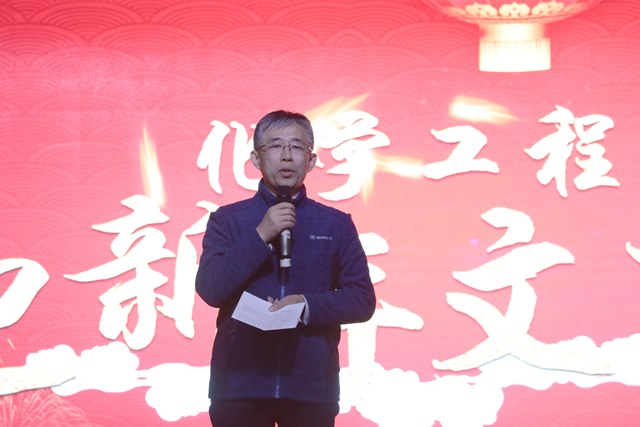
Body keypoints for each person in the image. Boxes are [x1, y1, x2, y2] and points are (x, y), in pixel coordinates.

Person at [195, 110, 376, 427]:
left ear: (312, 160)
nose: (287, 156)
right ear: (256, 158)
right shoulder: (228, 220)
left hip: (310, 386)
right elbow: (211, 289)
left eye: (297, 146)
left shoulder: (335, 224)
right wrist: (260, 235)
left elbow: (361, 300)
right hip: (239, 385)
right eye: (276, 145)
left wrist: (306, 305)